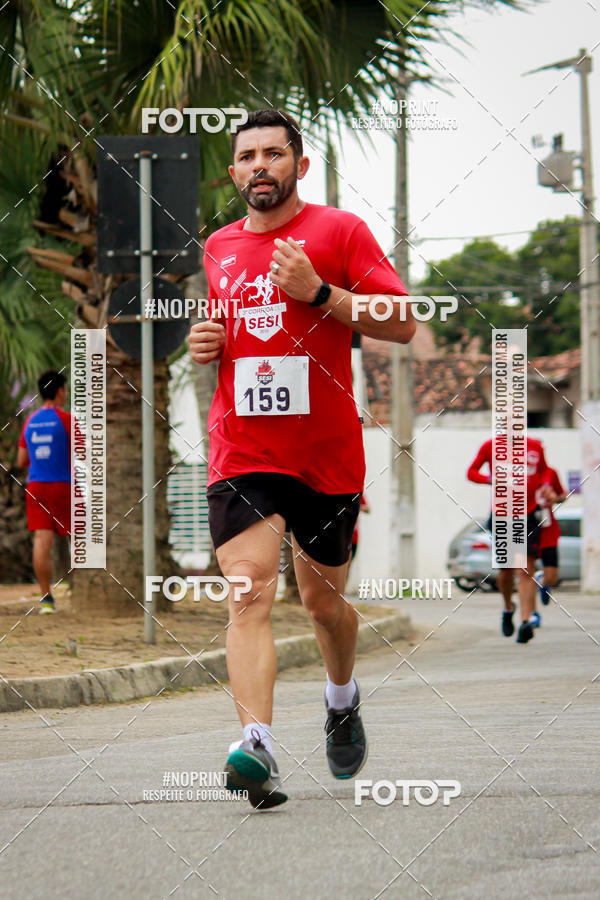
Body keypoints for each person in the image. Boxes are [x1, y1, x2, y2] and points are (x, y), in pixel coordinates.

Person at [189, 108, 415, 809]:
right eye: (247, 156)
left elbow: (403, 321)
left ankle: (340, 698)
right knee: (248, 589)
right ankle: (256, 744)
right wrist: (209, 342)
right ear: (233, 172)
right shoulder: (219, 247)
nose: (260, 165)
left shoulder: (338, 232)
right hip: (243, 447)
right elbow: (235, 331)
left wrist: (319, 292)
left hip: (324, 455)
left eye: (273, 154)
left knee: (322, 604)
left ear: (299, 166)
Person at [467, 435, 550, 644]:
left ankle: (525, 621)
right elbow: (471, 472)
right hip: (502, 513)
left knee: (525, 568)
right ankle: (508, 608)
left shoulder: (534, 446)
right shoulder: (490, 446)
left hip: (529, 514)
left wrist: (548, 486)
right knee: (506, 571)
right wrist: (490, 479)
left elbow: (545, 473)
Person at [17, 371, 72, 614]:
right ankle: (83, 591)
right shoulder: (67, 420)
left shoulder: (30, 422)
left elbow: (21, 460)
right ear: (60, 391)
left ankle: (46, 599)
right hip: (63, 485)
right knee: (78, 539)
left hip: (36, 486)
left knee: (42, 541)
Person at [535, 467, 567, 610]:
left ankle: (542, 581)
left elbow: (562, 495)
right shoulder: (515, 472)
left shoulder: (550, 472)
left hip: (548, 531)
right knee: (524, 574)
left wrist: (556, 498)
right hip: (524, 529)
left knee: (552, 577)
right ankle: (529, 616)